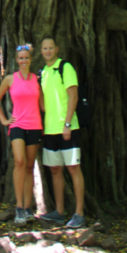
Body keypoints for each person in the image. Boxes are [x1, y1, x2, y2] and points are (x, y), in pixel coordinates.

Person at [0, 43, 44, 225]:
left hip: (35, 125)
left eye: (26, 58)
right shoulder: (10, 79)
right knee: (19, 161)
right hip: (17, 126)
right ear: (17, 60)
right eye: (21, 58)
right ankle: (19, 207)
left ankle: (28, 207)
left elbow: (44, 104)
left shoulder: (37, 79)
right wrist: (4, 120)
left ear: (30, 60)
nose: (23, 61)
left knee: (30, 166)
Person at [39, 35, 85, 229]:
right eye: (44, 48)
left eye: (50, 47)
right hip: (50, 130)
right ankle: (59, 211)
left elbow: (73, 95)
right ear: (41, 52)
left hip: (68, 128)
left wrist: (67, 124)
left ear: (56, 49)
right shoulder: (43, 73)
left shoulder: (65, 68)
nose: (48, 51)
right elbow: (42, 104)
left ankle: (79, 213)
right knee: (55, 170)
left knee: (73, 168)